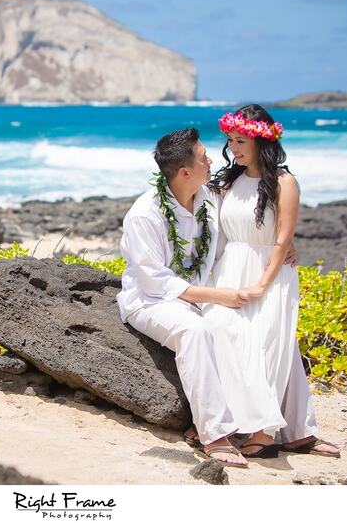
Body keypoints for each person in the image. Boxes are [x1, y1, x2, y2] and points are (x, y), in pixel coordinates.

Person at [117, 127, 293, 468]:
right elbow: (154, 282)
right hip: (151, 301)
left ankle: (257, 421)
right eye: (203, 157)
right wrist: (218, 295)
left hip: (197, 296)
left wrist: (285, 245)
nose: (212, 159)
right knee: (196, 332)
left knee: (238, 325)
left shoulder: (209, 200)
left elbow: (240, 231)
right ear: (185, 172)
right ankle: (213, 434)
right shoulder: (144, 215)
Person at [203, 104, 340, 458]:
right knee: (224, 330)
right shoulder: (228, 180)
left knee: (269, 344)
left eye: (241, 140)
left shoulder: (284, 182)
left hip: (271, 271)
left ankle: (265, 432)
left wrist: (264, 282)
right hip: (231, 266)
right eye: (230, 140)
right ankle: (295, 430)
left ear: (263, 141)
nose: (234, 147)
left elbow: (281, 239)